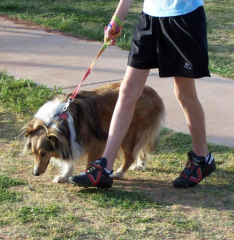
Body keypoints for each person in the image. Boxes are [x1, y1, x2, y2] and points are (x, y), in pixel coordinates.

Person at [69, 0, 216, 189]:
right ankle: (104, 168)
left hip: (184, 17)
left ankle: (202, 158)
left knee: (184, 93)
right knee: (128, 91)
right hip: (150, 18)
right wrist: (117, 19)